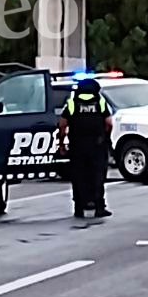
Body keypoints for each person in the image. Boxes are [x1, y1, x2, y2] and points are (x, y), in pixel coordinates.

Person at [57, 78, 113, 218]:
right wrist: (105, 137)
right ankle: (99, 207)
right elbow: (109, 123)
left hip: (77, 145)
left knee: (78, 176)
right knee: (98, 176)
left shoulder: (72, 103)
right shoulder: (100, 102)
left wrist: (62, 144)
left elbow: (63, 125)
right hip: (97, 145)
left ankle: (78, 208)